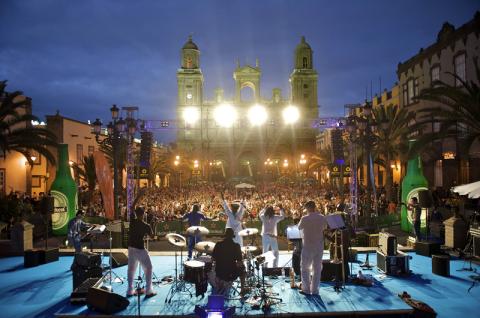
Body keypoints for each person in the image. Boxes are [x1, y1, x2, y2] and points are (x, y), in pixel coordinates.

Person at [298, 200, 328, 295]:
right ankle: (315, 290)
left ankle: (306, 289)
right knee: (317, 268)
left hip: (307, 246)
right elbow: (325, 227)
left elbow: (299, 227)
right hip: (318, 246)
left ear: (307, 208)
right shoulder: (322, 217)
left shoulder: (304, 218)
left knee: (305, 268)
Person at [126, 206, 156, 297]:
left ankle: (130, 291)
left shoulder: (132, 221)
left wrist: (138, 196)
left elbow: (131, 208)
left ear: (136, 214)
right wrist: (154, 225)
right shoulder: (146, 226)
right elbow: (152, 237)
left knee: (131, 270)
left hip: (131, 248)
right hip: (140, 249)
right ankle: (148, 291)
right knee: (149, 268)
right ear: (143, 215)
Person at [209, 228, 244, 296]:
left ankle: (217, 283)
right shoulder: (236, 246)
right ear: (232, 236)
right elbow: (239, 261)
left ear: (225, 235)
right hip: (231, 272)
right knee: (243, 270)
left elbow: (212, 259)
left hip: (219, 272)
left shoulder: (218, 244)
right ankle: (242, 290)